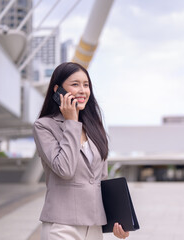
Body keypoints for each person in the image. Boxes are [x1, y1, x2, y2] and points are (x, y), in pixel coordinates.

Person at [33, 62, 130, 240]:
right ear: (58, 90)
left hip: (93, 228)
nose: (82, 90)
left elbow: (102, 180)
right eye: (75, 84)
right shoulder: (44, 126)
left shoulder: (95, 128)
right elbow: (65, 169)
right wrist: (71, 122)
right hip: (61, 226)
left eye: (86, 85)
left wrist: (118, 221)